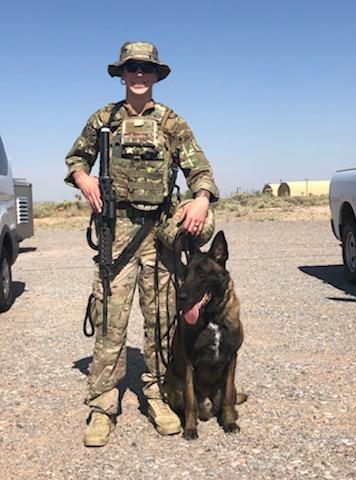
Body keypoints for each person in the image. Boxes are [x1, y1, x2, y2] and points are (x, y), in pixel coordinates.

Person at [65, 41, 219, 447]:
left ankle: (157, 394)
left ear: (155, 75)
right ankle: (102, 405)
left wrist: (201, 199)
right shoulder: (104, 120)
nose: (138, 75)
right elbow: (76, 159)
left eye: (145, 69)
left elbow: (199, 169)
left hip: (159, 236)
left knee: (162, 320)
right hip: (116, 235)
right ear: (121, 73)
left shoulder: (171, 123)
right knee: (111, 321)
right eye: (131, 68)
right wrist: (84, 179)